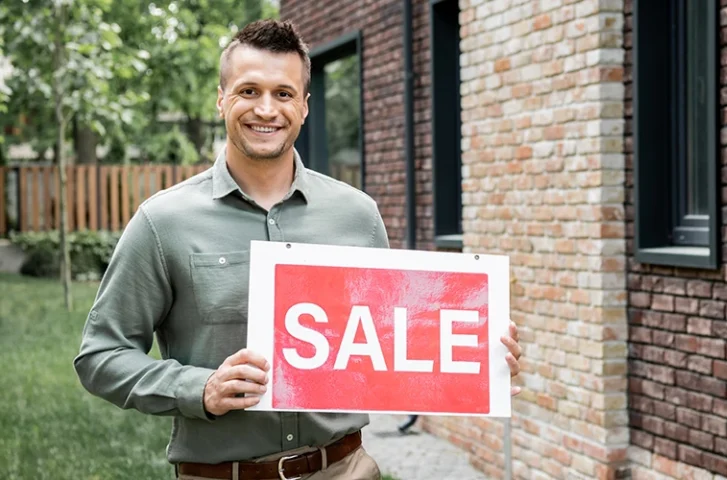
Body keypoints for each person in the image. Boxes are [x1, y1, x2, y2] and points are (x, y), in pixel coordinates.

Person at [74, 19, 523, 480]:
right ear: (221, 98)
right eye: (249, 91)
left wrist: (478, 353)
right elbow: (100, 355)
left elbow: (389, 339)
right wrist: (197, 387)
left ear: (305, 107)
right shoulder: (163, 221)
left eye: (283, 94)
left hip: (345, 468)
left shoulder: (357, 214)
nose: (266, 109)